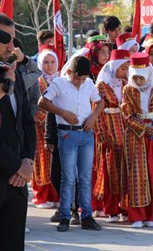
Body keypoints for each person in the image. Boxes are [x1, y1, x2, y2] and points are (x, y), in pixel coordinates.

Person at [38, 56, 105, 232]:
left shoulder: (89, 83)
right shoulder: (59, 83)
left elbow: (100, 102)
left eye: (83, 79)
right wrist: (62, 112)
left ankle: (87, 216)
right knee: (67, 177)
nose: (80, 82)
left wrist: (93, 117)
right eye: (78, 78)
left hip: (86, 134)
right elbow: (42, 101)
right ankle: (65, 216)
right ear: (70, 72)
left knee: (85, 177)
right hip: (66, 132)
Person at [121, 52, 153, 228]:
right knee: (137, 173)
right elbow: (127, 114)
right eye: (136, 78)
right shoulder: (128, 89)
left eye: (142, 78)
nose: (139, 81)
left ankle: (151, 215)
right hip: (136, 136)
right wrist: (144, 127)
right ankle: (137, 215)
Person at [0, 16, 36, 251]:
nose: (12, 47)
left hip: (17, 178)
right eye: (5, 40)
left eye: (13, 40)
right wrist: (16, 166)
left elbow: (26, 122)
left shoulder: (14, 72)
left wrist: (27, 161)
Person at [94, 49, 130, 222]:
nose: (125, 72)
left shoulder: (125, 84)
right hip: (108, 131)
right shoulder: (101, 85)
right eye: (123, 68)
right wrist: (102, 135)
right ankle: (111, 209)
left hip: (124, 130)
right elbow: (96, 111)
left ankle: (124, 207)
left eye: (127, 68)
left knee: (124, 171)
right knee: (110, 171)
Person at [32, 45, 60, 208]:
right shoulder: (37, 82)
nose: (49, 66)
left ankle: (56, 195)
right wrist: (46, 119)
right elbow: (33, 104)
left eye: (52, 62)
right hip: (40, 128)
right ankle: (42, 196)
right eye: (46, 62)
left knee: (55, 161)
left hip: (57, 128)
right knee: (41, 161)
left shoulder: (61, 80)